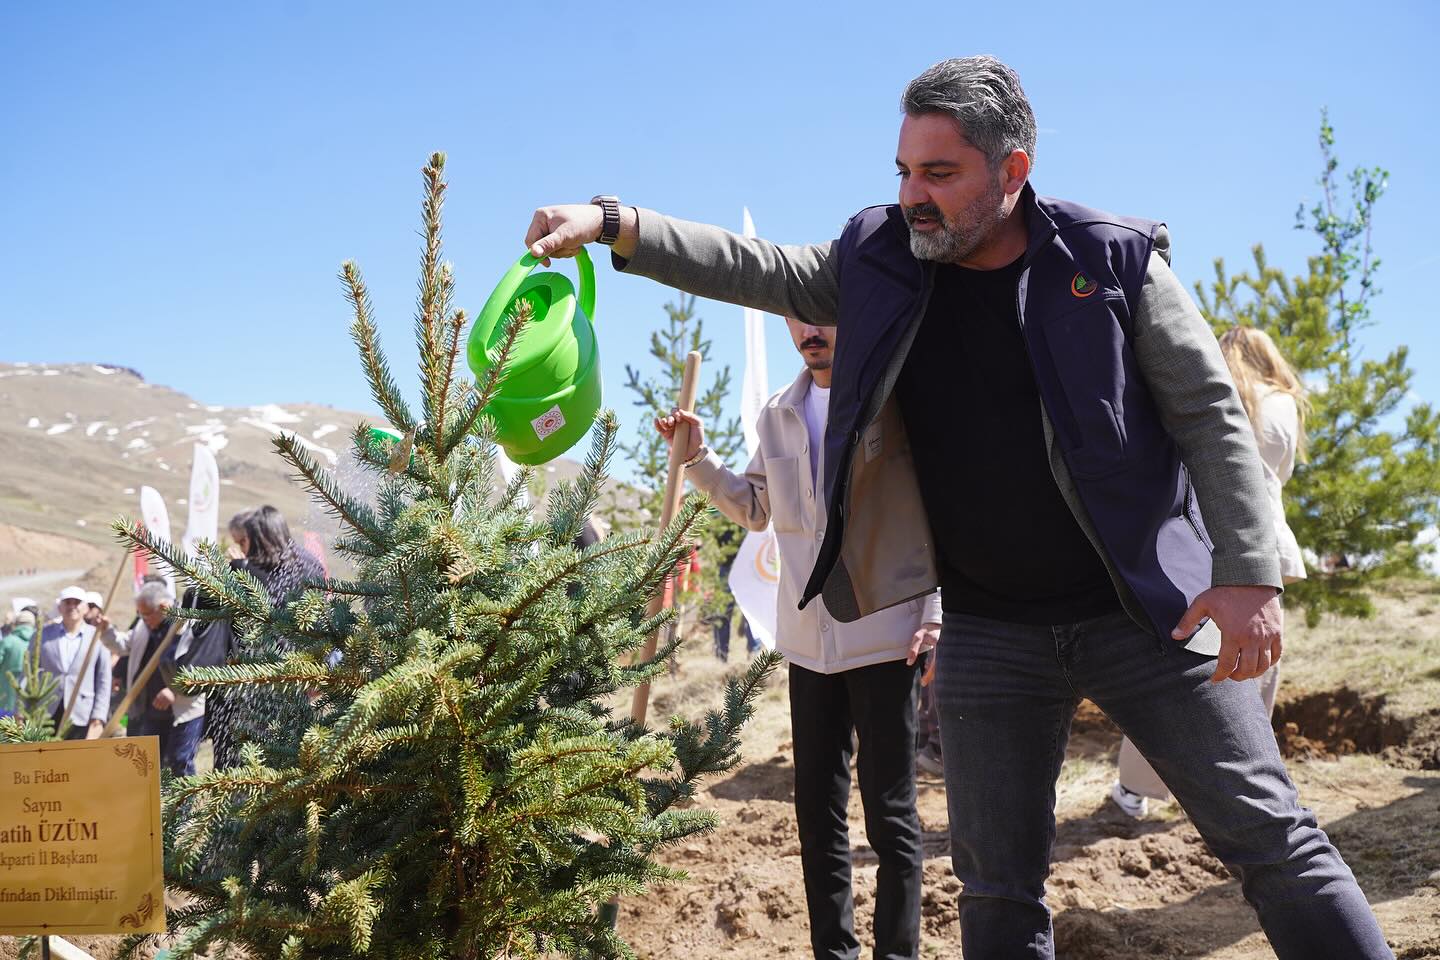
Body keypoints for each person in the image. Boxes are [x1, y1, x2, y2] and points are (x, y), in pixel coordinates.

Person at [522, 55, 1391, 958]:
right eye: (902, 171)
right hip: (989, 634)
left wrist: (1248, 575)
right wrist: (612, 223)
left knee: (1273, 841)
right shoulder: (879, 260)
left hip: (1145, 614)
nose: (913, 196)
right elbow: (754, 267)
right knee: (997, 893)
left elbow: (1212, 416)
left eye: (940, 173)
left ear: (1013, 170)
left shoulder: (1112, 260)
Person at [657, 315, 941, 960]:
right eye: (798, 319)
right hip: (808, 644)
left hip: (885, 633)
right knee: (818, 815)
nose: (810, 331)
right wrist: (699, 458)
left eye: (825, 317)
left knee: (891, 815)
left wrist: (934, 607)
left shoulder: (889, 400)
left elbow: (930, 505)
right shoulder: (778, 414)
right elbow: (755, 508)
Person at [1112, 326, 1311, 815]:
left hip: (1198, 538)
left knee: (1172, 673)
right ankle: (1246, 788)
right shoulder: (1283, 403)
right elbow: (1279, 475)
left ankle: (1136, 791)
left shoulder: (1204, 390)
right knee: (1255, 667)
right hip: (1264, 544)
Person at [98, 582, 206, 775]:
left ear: (164, 607)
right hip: (151, 709)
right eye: (141, 614)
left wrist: (174, 689)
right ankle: (155, 804)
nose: (143, 618)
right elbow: (123, 645)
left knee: (179, 760)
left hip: (184, 709)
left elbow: (200, 663)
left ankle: (184, 805)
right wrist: (107, 631)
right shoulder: (143, 626)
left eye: (147, 614)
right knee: (148, 763)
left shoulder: (188, 623)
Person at [38, 585, 110, 738]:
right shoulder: (43, 635)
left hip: (81, 714)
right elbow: (28, 672)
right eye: (67, 602)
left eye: (76, 602)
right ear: (59, 607)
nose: (72, 606)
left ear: (85, 607)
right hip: (46, 712)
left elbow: (103, 678)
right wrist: (22, 710)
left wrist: (99, 716)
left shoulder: (97, 637)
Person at [0, 609, 34, 717]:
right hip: (29, 702)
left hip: (5, 699)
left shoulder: (8, 641)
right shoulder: (38, 641)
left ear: (16, 623)